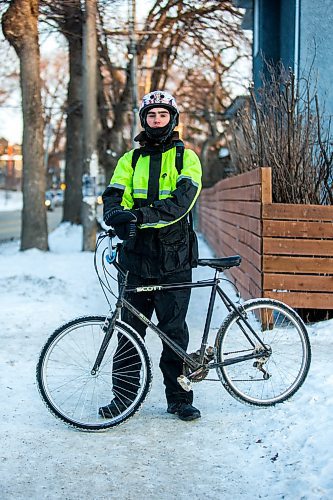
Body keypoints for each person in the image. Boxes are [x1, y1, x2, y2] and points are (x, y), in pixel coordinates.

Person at [100, 90, 202, 421]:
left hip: (173, 259)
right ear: (143, 120)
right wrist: (115, 214)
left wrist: (138, 217)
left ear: (172, 119)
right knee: (129, 331)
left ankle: (180, 398)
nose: (156, 121)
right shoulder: (129, 160)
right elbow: (114, 195)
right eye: (151, 116)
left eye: (162, 115)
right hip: (135, 259)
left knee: (174, 332)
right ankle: (123, 398)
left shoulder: (187, 158)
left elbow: (180, 202)